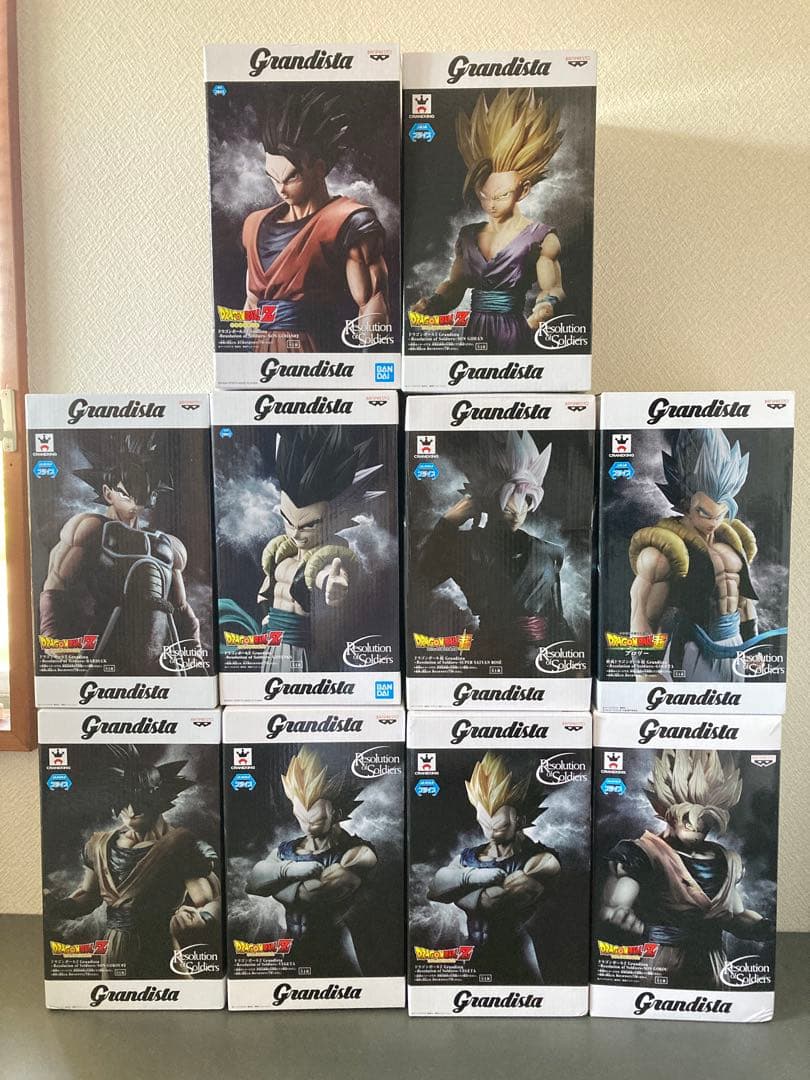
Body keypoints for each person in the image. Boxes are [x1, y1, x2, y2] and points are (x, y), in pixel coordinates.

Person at [600, 749, 773, 988]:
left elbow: (734, 915)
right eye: (690, 818)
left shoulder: (726, 860)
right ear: (668, 811)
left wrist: (761, 928)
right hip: (662, 961)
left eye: (707, 819)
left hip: (713, 963)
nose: (699, 826)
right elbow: (615, 906)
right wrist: (619, 915)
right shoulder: (643, 853)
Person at [44, 745, 221, 978]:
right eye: (124, 801)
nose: (130, 811)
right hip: (115, 951)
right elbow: (89, 896)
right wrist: (56, 906)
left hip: (160, 946)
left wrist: (202, 919)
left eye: (140, 800)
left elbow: (210, 901)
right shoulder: (100, 845)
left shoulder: (181, 845)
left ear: (158, 798)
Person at [411, 88, 564, 352]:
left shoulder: (541, 237)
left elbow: (553, 288)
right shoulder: (468, 236)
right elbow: (456, 285)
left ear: (523, 191)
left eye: (502, 195)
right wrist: (433, 304)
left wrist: (544, 307)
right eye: (484, 195)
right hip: (474, 333)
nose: (491, 204)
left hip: (513, 332)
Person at [629, 428, 785, 682]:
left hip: (735, 647)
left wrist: (752, 645)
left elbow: (743, 602)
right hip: (692, 651)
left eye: (720, 514)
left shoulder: (734, 544)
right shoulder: (663, 553)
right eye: (704, 513)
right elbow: (642, 614)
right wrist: (644, 672)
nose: (713, 523)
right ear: (685, 504)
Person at [38, 433, 200, 675]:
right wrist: (54, 639)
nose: (134, 503)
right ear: (107, 493)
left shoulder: (167, 544)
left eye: (141, 495)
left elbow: (181, 606)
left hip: (158, 652)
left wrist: (193, 646)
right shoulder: (91, 528)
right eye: (126, 494)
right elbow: (56, 584)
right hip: (109, 643)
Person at [242, 88, 390, 351]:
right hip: (264, 359)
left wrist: (369, 367)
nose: (280, 189)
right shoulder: (255, 224)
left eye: (291, 177)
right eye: (273, 178)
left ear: (319, 169)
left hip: (320, 353)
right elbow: (251, 304)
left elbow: (372, 302)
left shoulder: (349, 221)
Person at [416, 430, 571, 675]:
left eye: (525, 504)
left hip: (538, 661)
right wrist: (447, 524)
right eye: (510, 506)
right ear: (492, 500)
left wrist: (573, 659)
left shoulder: (550, 552)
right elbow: (421, 578)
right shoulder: (466, 546)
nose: (518, 513)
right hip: (488, 654)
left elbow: (556, 616)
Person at [428, 752, 559, 982]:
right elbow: (434, 890)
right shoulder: (471, 855)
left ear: (519, 820)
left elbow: (494, 901)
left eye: (498, 826)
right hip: (474, 948)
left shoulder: (537, 860)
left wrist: (457, 889)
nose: (490, 833)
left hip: (514, 952)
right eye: (483, 824)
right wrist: (471, 877)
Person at [246, 749, 375, 975]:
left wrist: (276, 879)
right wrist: (289, 870)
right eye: (300, 818)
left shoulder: (356, 853)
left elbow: (314, 894)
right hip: (291, 943)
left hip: (333, 946)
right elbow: (253, 884)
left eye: (315, 821)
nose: (306, 827)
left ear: (336, 813)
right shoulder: (288, 849)